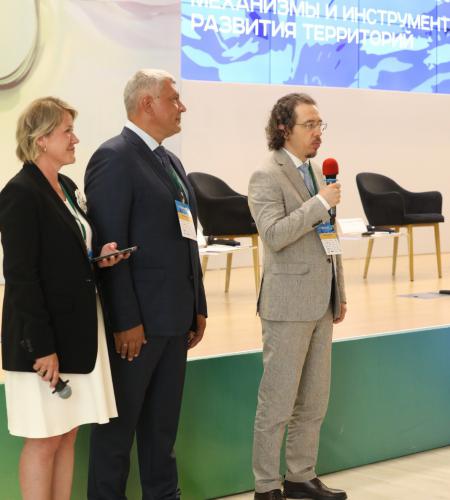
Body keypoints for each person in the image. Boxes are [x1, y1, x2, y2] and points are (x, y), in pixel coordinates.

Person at [85, 69, 207, 500]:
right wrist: (125, 320)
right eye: (174, 99)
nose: (182, 107)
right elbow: (109, 248)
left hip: (175, 318)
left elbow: (187, 237)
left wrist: (197, 304)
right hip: (137, 326)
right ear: (147, 104)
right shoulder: (114, 158)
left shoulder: (170, 161)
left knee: (162, 433)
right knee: (116, 435)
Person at [0, 96, 125, 500]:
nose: (75, 139)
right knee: (44, 439)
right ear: (40, 139)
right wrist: (42, 348)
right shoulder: (20, 194)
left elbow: (66, 256)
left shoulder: (66, 187)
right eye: (67, 131)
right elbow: (21, 277)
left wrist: (98, 258)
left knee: (67, 434)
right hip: (41, 343)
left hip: (75, 335)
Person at [248, 93, 347, 500]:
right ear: (284, 128)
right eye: (310, 125)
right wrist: (319, 203)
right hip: (287, 304)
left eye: (320, 124)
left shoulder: (317, 173)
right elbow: (274, 235)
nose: (318, 132)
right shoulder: (266, 175)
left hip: (321, 299)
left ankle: (301, 476)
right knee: (277, 402)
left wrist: (339, 290)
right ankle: (266, 485)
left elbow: (329, 235)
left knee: (314, 400)